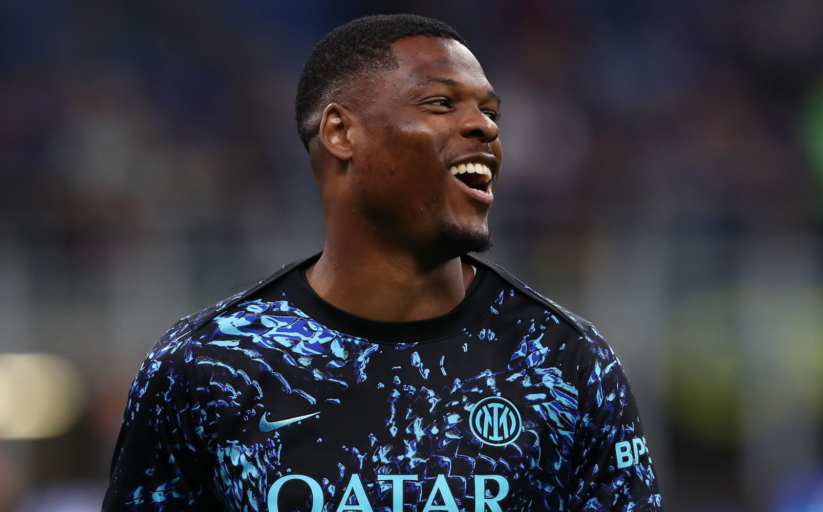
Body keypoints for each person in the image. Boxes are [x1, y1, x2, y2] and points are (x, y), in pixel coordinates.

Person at [102, 14, 662, 512]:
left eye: (490, 112)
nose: (486, 127)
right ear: (341, 132)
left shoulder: (563, 361)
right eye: (441, 103)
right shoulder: (207, 364)